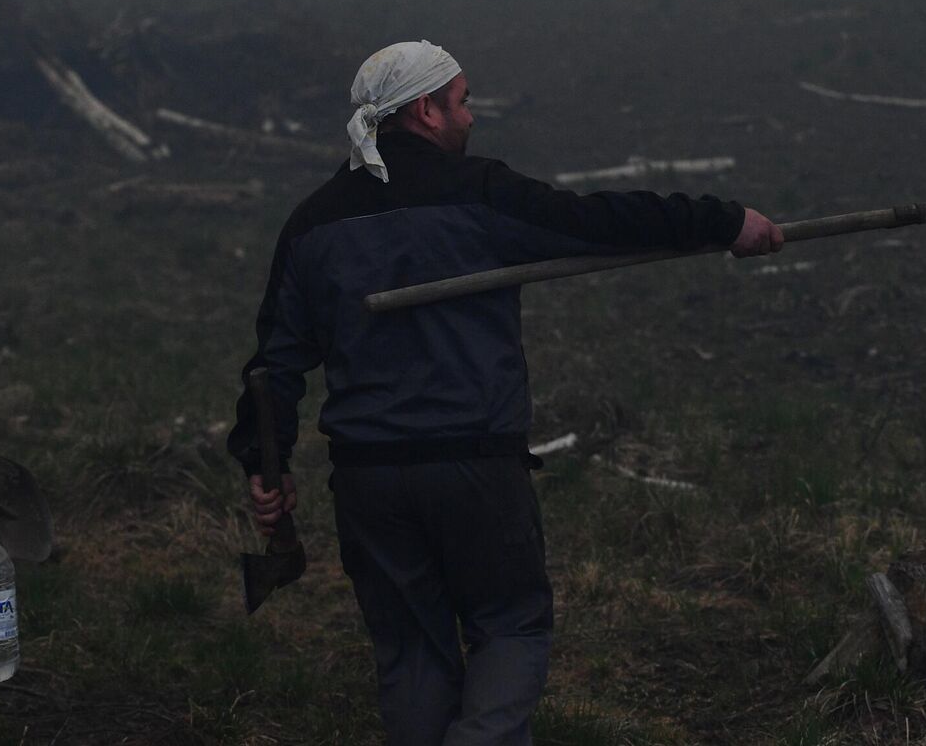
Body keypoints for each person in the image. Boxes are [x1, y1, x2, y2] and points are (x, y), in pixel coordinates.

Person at [229, 41, 784, 745]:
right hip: (474, 470)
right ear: (426, 110)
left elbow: (273, 363)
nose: (471, 115)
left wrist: (260, 461)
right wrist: (724, 221)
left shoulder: (312, 223)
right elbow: (598, 223)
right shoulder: (479, 195)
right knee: (512, 627)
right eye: (462, 101)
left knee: (410, 653)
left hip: (369, 484)